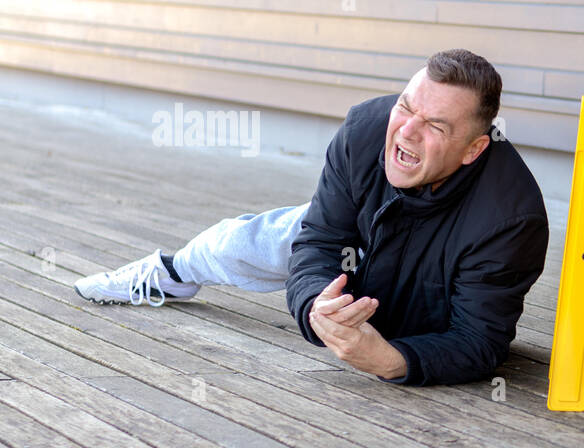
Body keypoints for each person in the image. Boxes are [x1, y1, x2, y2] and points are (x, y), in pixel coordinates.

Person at [73, 49, 549, 387]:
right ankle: (171, 272)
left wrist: (391, 360)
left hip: (421, 288)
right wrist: (313, 311)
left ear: (474, 149)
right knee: (254, 241)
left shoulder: (509, 220)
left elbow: (478, 342)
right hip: (359, 238)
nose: (407, 130)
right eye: (406, 107)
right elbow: (320, 240)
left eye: (436, 126)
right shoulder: (366, 131)